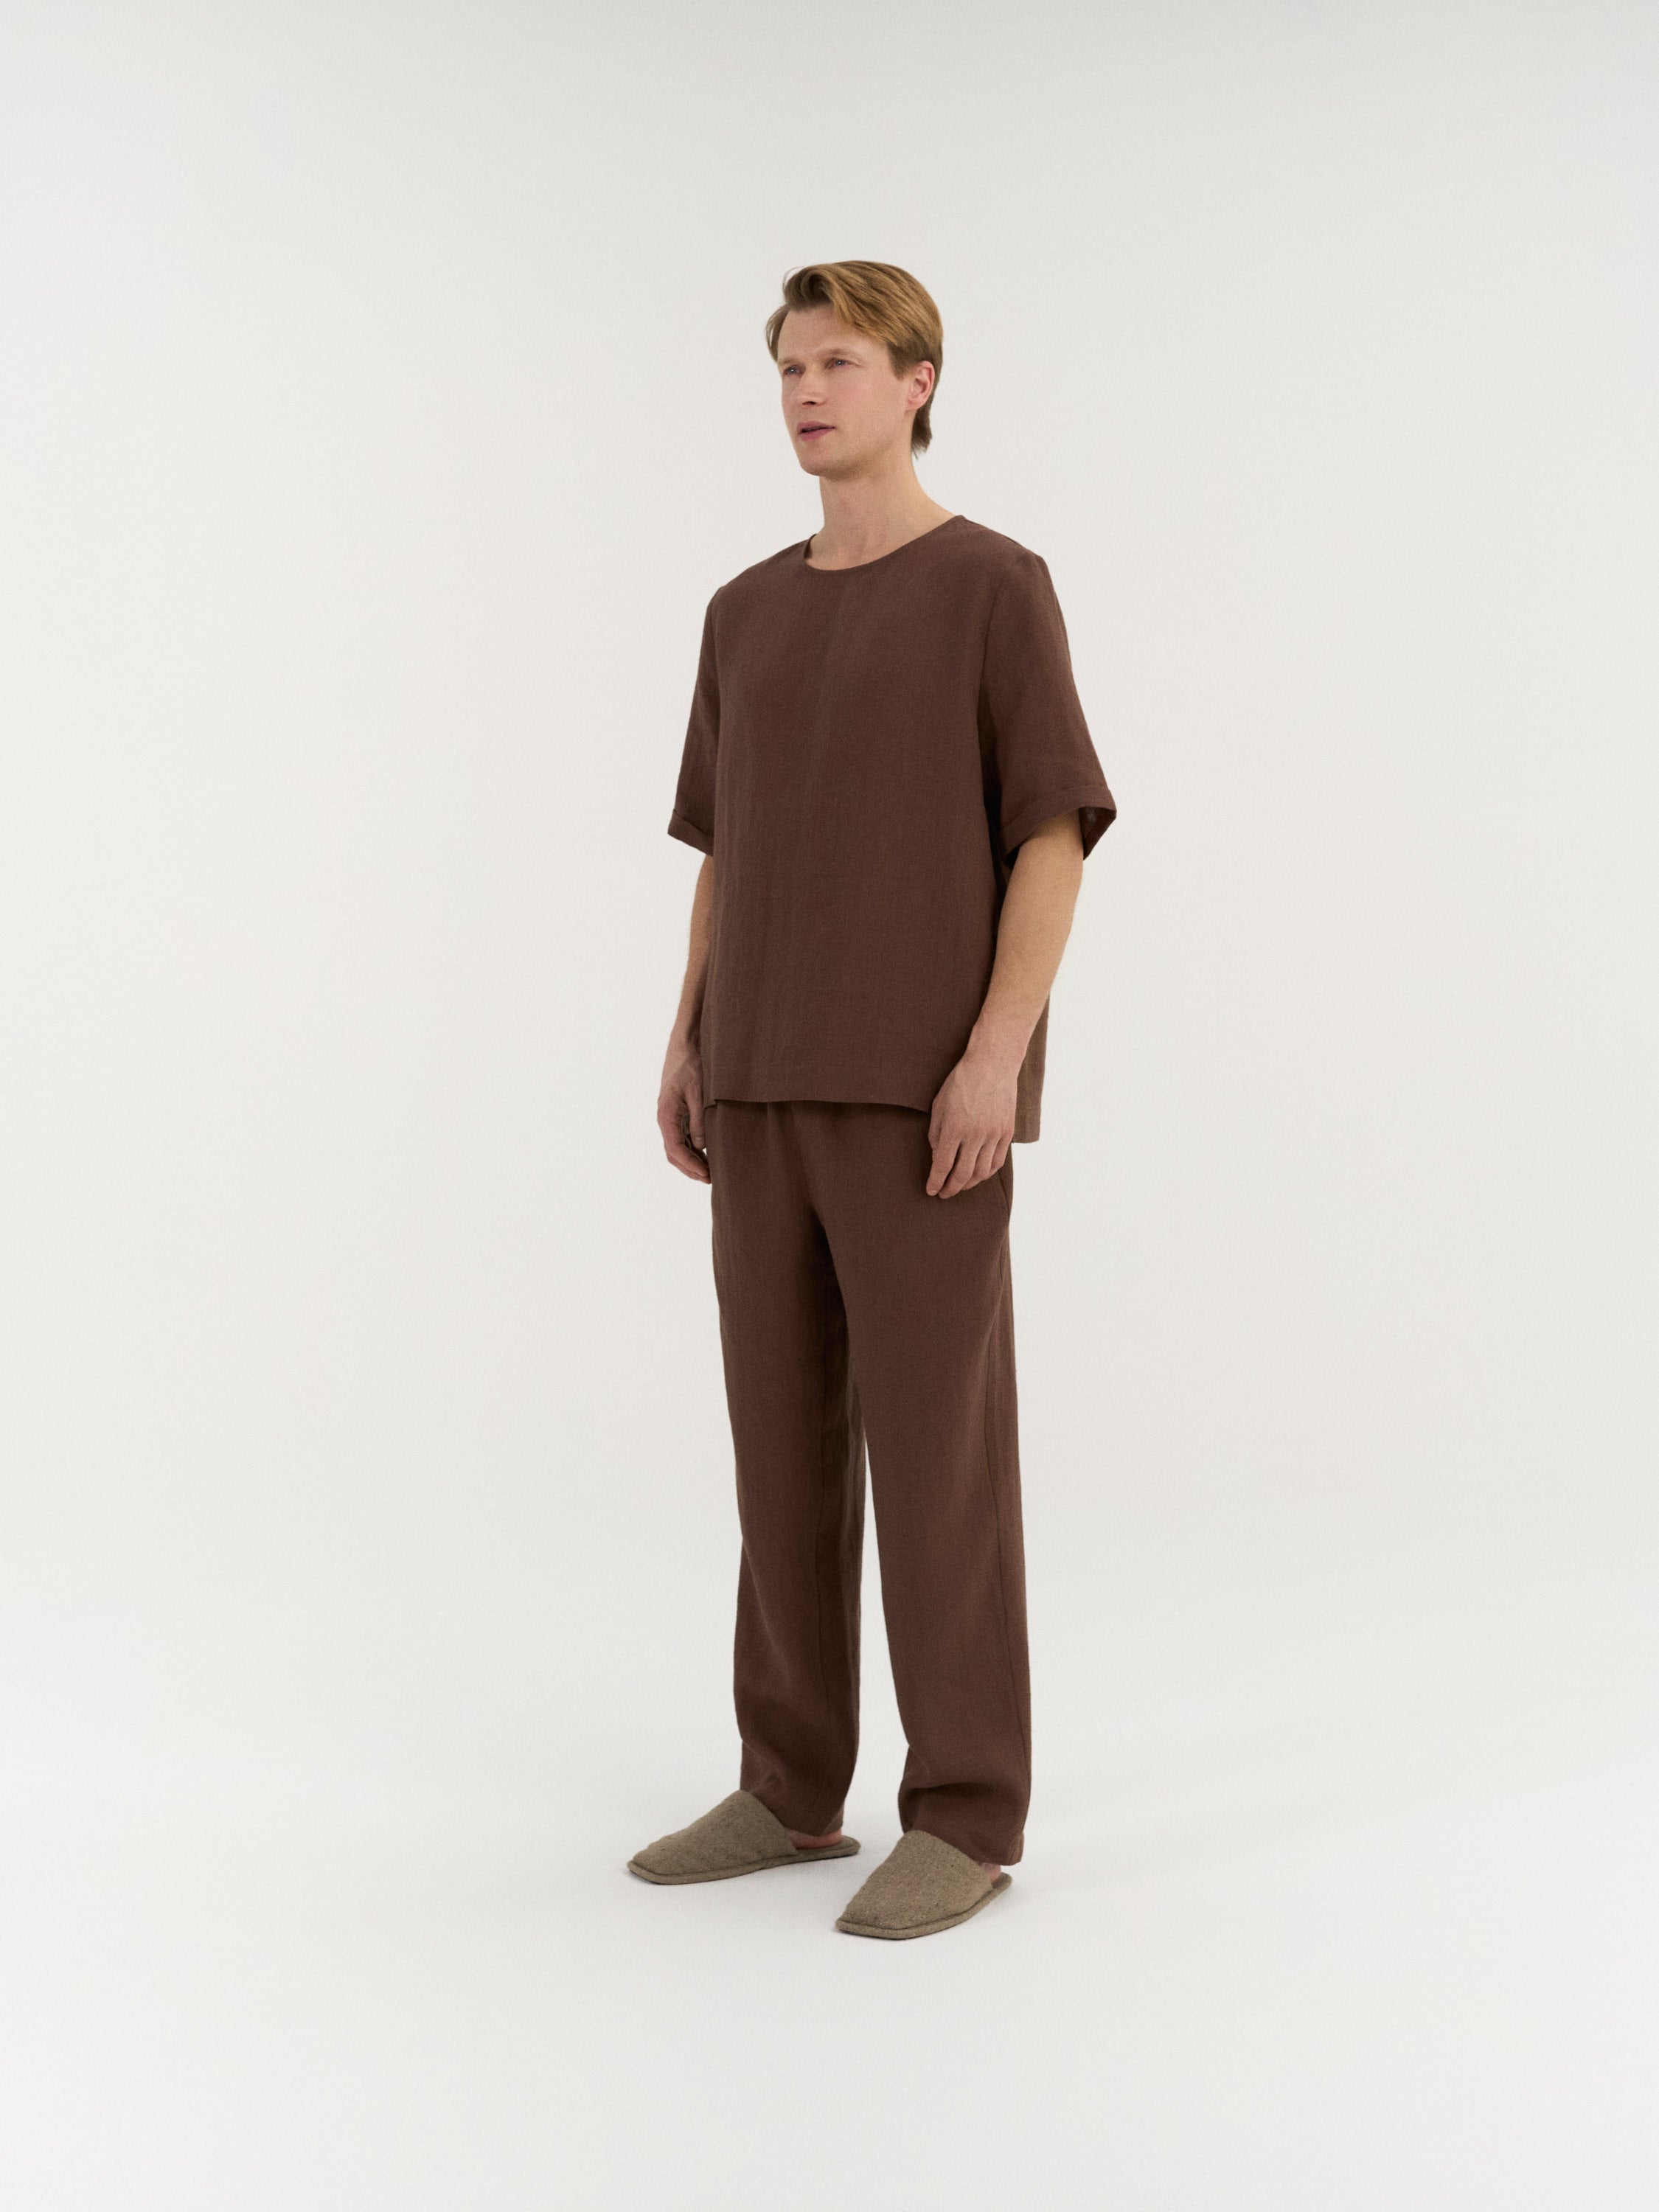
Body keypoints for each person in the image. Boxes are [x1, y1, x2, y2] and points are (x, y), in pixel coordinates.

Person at [633, 260, 1116, 1940]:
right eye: (787, 367)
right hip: (759, 1077)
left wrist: (994, 1053)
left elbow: (1048, 835)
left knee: (937, 1464)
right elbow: (725, 850)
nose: (804, 392)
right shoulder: (742, 612)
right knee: (777, 1452)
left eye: (837, 362)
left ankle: (965, 1811)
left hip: (920, 1098)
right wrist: (689, 1036)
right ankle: (787, 1787)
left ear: (918, 381)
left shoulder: (993, 587)